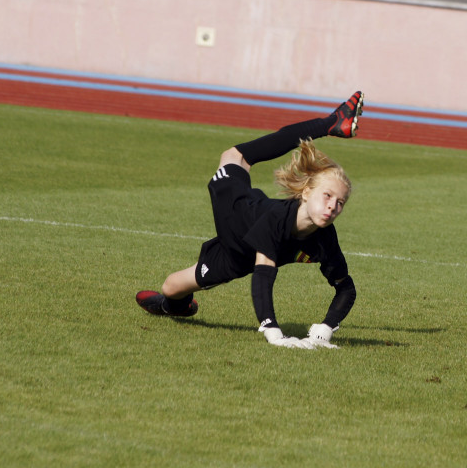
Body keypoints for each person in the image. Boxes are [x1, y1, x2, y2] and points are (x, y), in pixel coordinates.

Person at [136, 91, 364, 350]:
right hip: (234, 211)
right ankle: (330, 123)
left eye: (340, 202)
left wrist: (325, 329)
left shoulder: (325, 237)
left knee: (171, 286)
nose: (333, 206)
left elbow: (346, 288)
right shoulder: (276, 219)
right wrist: (273, 332)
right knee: (235, 156)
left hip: (236, 257)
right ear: (306, 192)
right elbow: (264, 275)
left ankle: (175, 307)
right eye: (327, 195)